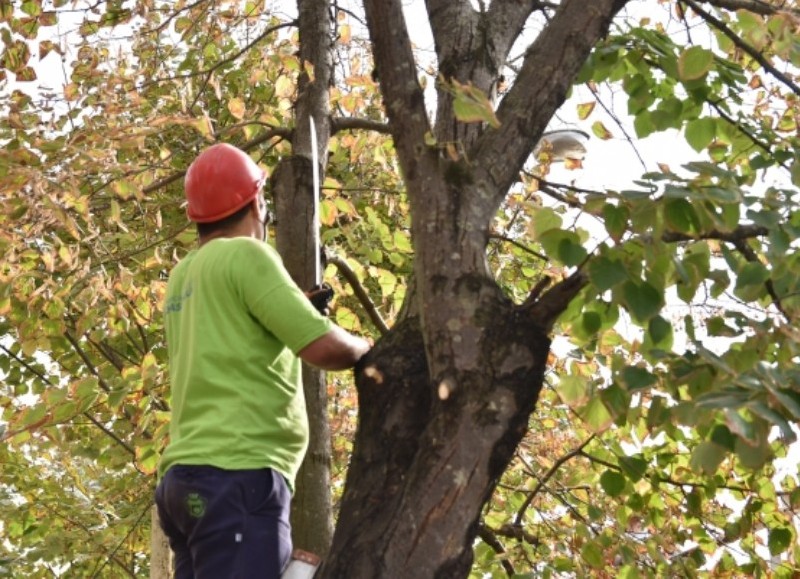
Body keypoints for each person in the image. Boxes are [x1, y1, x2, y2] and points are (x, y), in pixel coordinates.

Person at [155, 143, 370, 579]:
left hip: (184, 484)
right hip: (237, 477)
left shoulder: (183, 275)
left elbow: (231, 338)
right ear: (257, 203)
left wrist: (295, 309)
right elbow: (324, 349)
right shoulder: (247, 256)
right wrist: (368, 349)